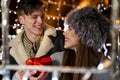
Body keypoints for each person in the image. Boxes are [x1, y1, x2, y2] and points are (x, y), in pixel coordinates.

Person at [9, 0, 64, 80]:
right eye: (34, 17)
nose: (40, 21)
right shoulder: (10, 50)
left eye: (42, 16)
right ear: (21, 20)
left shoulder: (61, 38)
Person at [58, 6, 111, 80]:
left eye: (70, 28)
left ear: (85, 33)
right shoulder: (63, 60)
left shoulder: (105, 69)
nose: (64, 33)